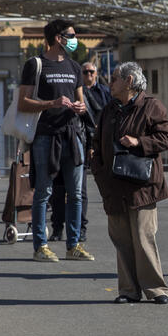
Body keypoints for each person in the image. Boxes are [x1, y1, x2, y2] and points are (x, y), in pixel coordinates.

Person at [91, 62, 168, 304]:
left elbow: (166, 138)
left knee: (143, 237)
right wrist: (98, 169)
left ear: (129, 81)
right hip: (114, 187)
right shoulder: (109, 110)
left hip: (142, 186)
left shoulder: (151, 106)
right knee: (121, 240)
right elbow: (96, 143)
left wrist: (139, 142)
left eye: (114, 78)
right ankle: (128, 290)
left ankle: (156, 289)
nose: (110, 83)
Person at [17, 18, 94, 262]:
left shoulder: (74, 67)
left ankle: (74, 245)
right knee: (43, 192)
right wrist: (52, 103)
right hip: (45, 136)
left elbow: (80, 100)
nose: (75, 39)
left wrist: (81, 107)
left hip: (72, 135)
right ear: (58, 38)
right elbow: (23, 102)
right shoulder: (35, 64)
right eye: (71, 35)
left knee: (76, 193)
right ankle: (41, 246)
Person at [50, 61, 109, 241]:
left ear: (96, 73)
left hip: (86, 144)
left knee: (79, 191)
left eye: (91, 72)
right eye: (85, 72)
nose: (88, 75)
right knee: (58, 190)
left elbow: (105, 119)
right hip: (67, 140)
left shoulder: (104, 94)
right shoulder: (73, 91)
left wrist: (94, 146)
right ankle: (57, 228)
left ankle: (80, 230)